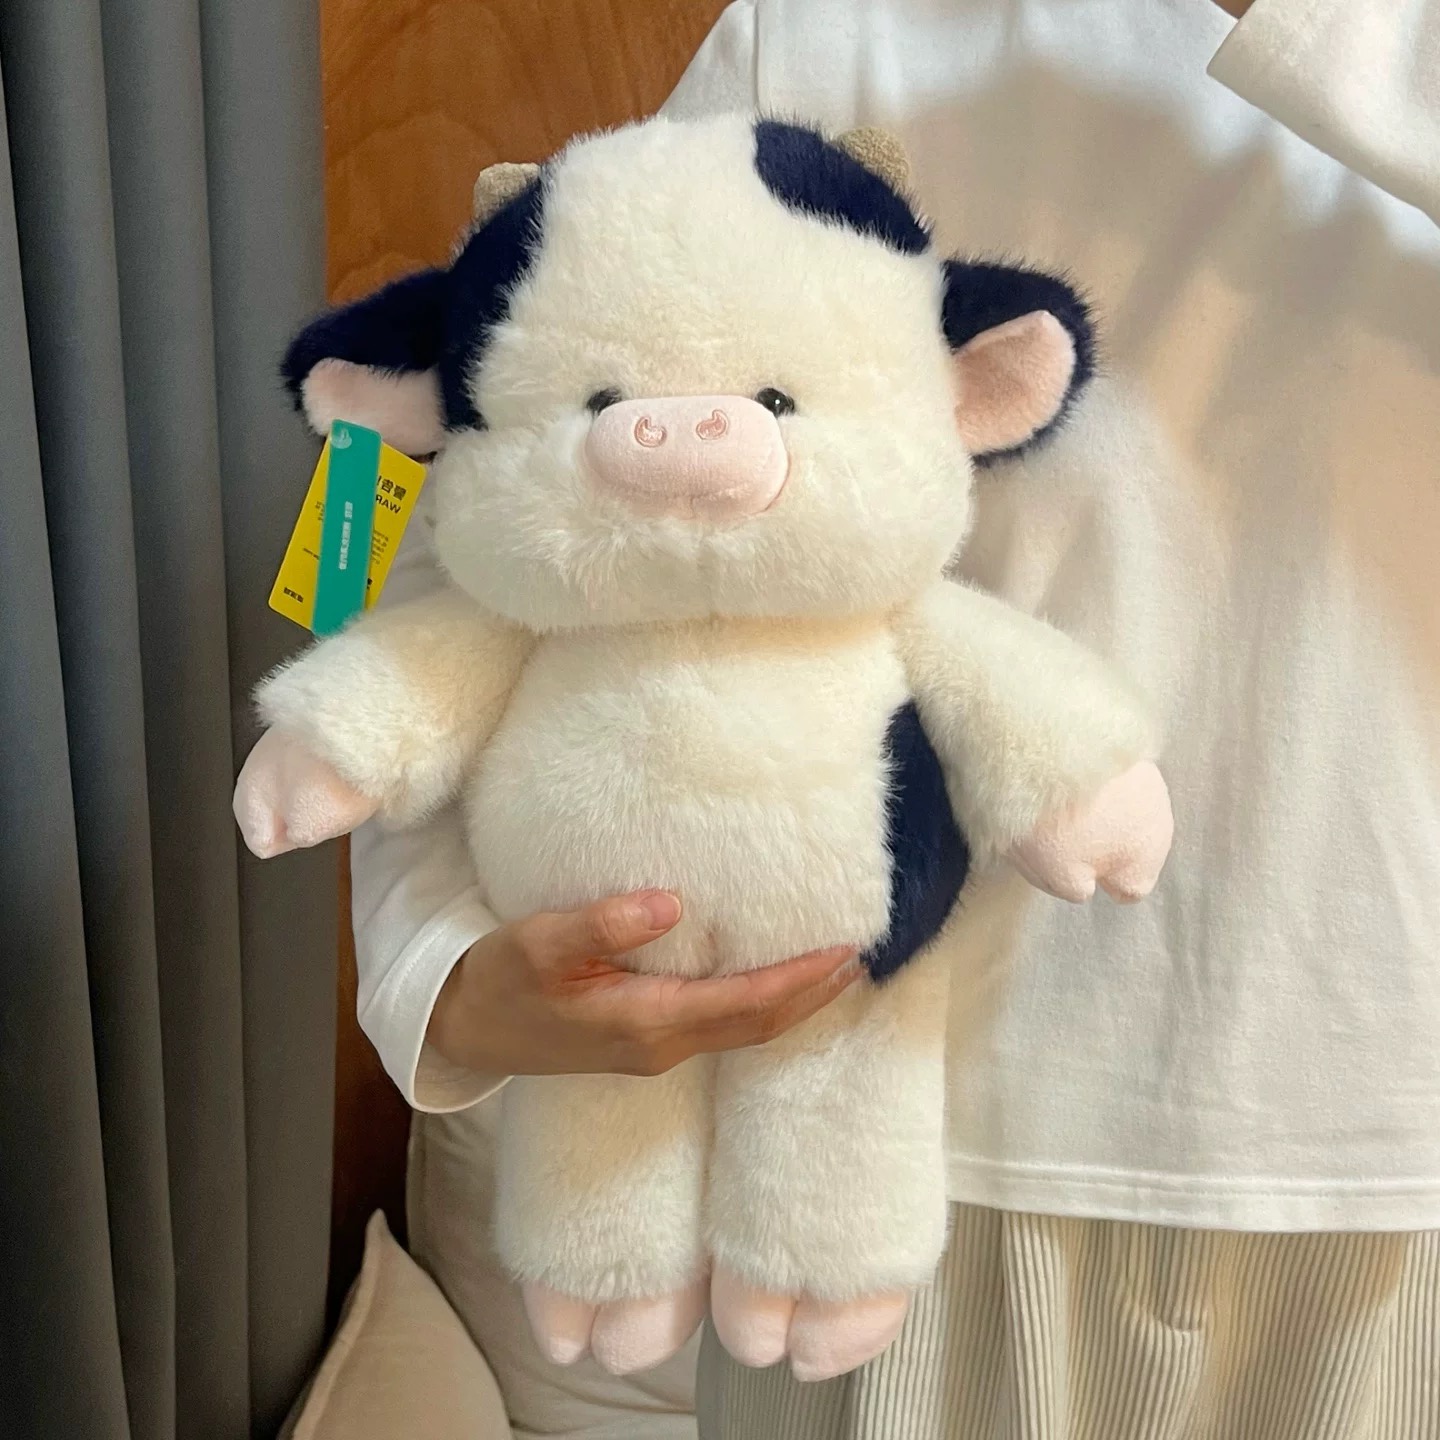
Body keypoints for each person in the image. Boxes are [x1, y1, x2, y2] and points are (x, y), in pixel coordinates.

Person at [352, 1, 1440, 1435]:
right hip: (883, 1162)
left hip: (1398, 1144)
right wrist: (437, 962)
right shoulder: (823, 31)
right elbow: (472, 506)